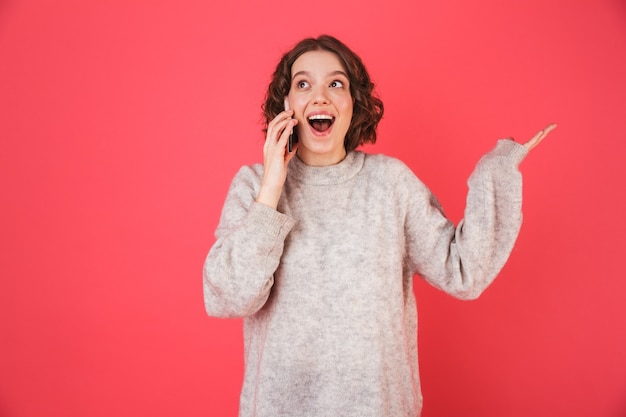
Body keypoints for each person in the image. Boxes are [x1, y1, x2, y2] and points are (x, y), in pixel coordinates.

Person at [203, 35, 556, 417]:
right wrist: (272, 187)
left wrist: (498, 171)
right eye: (303, 84)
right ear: (286, 105)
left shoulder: (390, 183)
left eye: (335, 84)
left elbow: (463, 271)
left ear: (354, 103)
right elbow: (229, 296)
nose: (319, 96)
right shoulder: (253, 186)